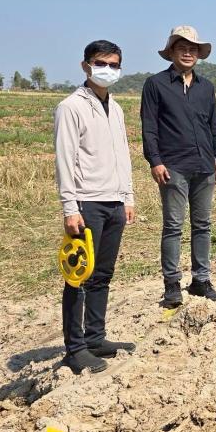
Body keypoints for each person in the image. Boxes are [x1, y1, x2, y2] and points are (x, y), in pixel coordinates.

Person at [53, 40, 136, 374]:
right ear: (85, 66)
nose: (108, 70)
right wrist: (69, 207)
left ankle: (96, 337)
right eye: (101, 64)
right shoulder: (71, 107)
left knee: (102, 274)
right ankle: (75, 348)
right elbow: (65, 159)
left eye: (114, 65)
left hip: (114, 201)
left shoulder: (116, 108)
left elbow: (123, 154)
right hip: (87, 203)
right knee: (78, 276)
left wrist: (127, 197)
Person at [140, 25, 216, 308]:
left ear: (198, 54)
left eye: (193, 49)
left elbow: (215, 125)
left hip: (204, 165)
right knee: (173, 226)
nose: (188, 53)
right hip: (173, 166)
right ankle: (172, 284)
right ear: (171, 53)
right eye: (182, 48)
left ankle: (201, 280)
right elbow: (149, 127)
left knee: (202, 225)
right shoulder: (155, 85)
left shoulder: (206, 87)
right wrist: (155, 161)